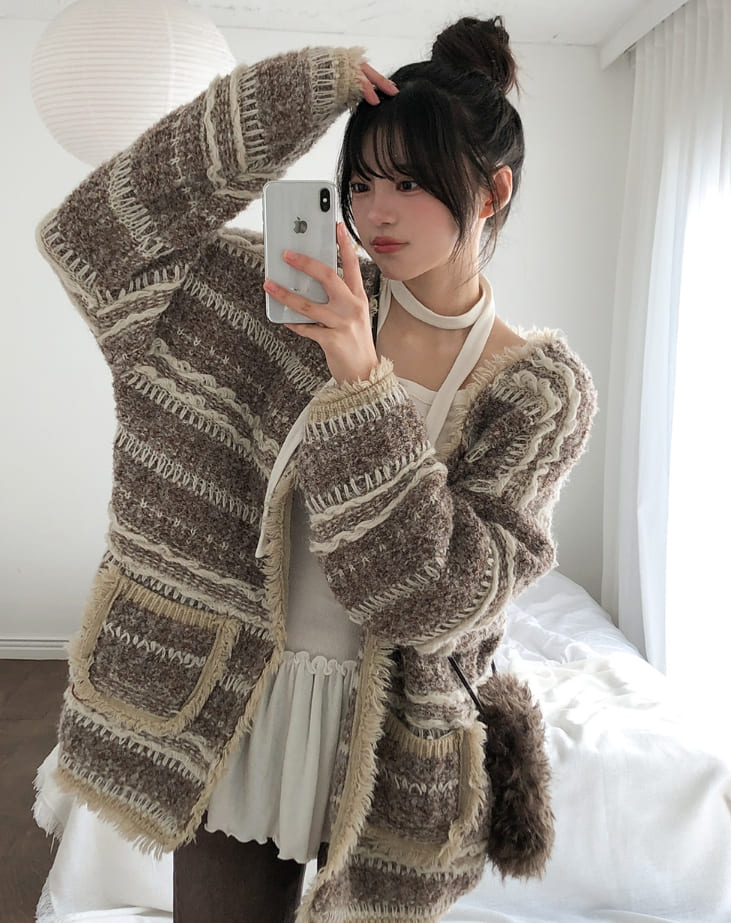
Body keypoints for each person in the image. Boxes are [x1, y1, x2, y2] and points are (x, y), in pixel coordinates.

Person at [36, 15, 597, 923]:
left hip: (394, 751)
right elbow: (91, 242)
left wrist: (360, 378)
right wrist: (295, 95)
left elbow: (431, 596)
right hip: (236, 703)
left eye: (410, 183)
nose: (376, 212)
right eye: (362, 181)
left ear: (491, 191)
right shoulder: (285, 301)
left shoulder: (536, 390)